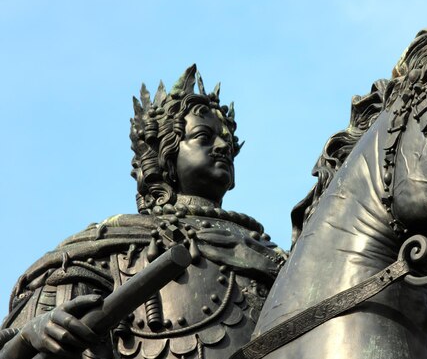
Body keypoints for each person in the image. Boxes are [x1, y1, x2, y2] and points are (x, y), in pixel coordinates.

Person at [0, 64, 285, 359]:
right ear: (165, 155)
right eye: (204, 136)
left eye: (226, 139)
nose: (223, 145)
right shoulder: (107, 251)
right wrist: (28, 337)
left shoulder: (275, 259)